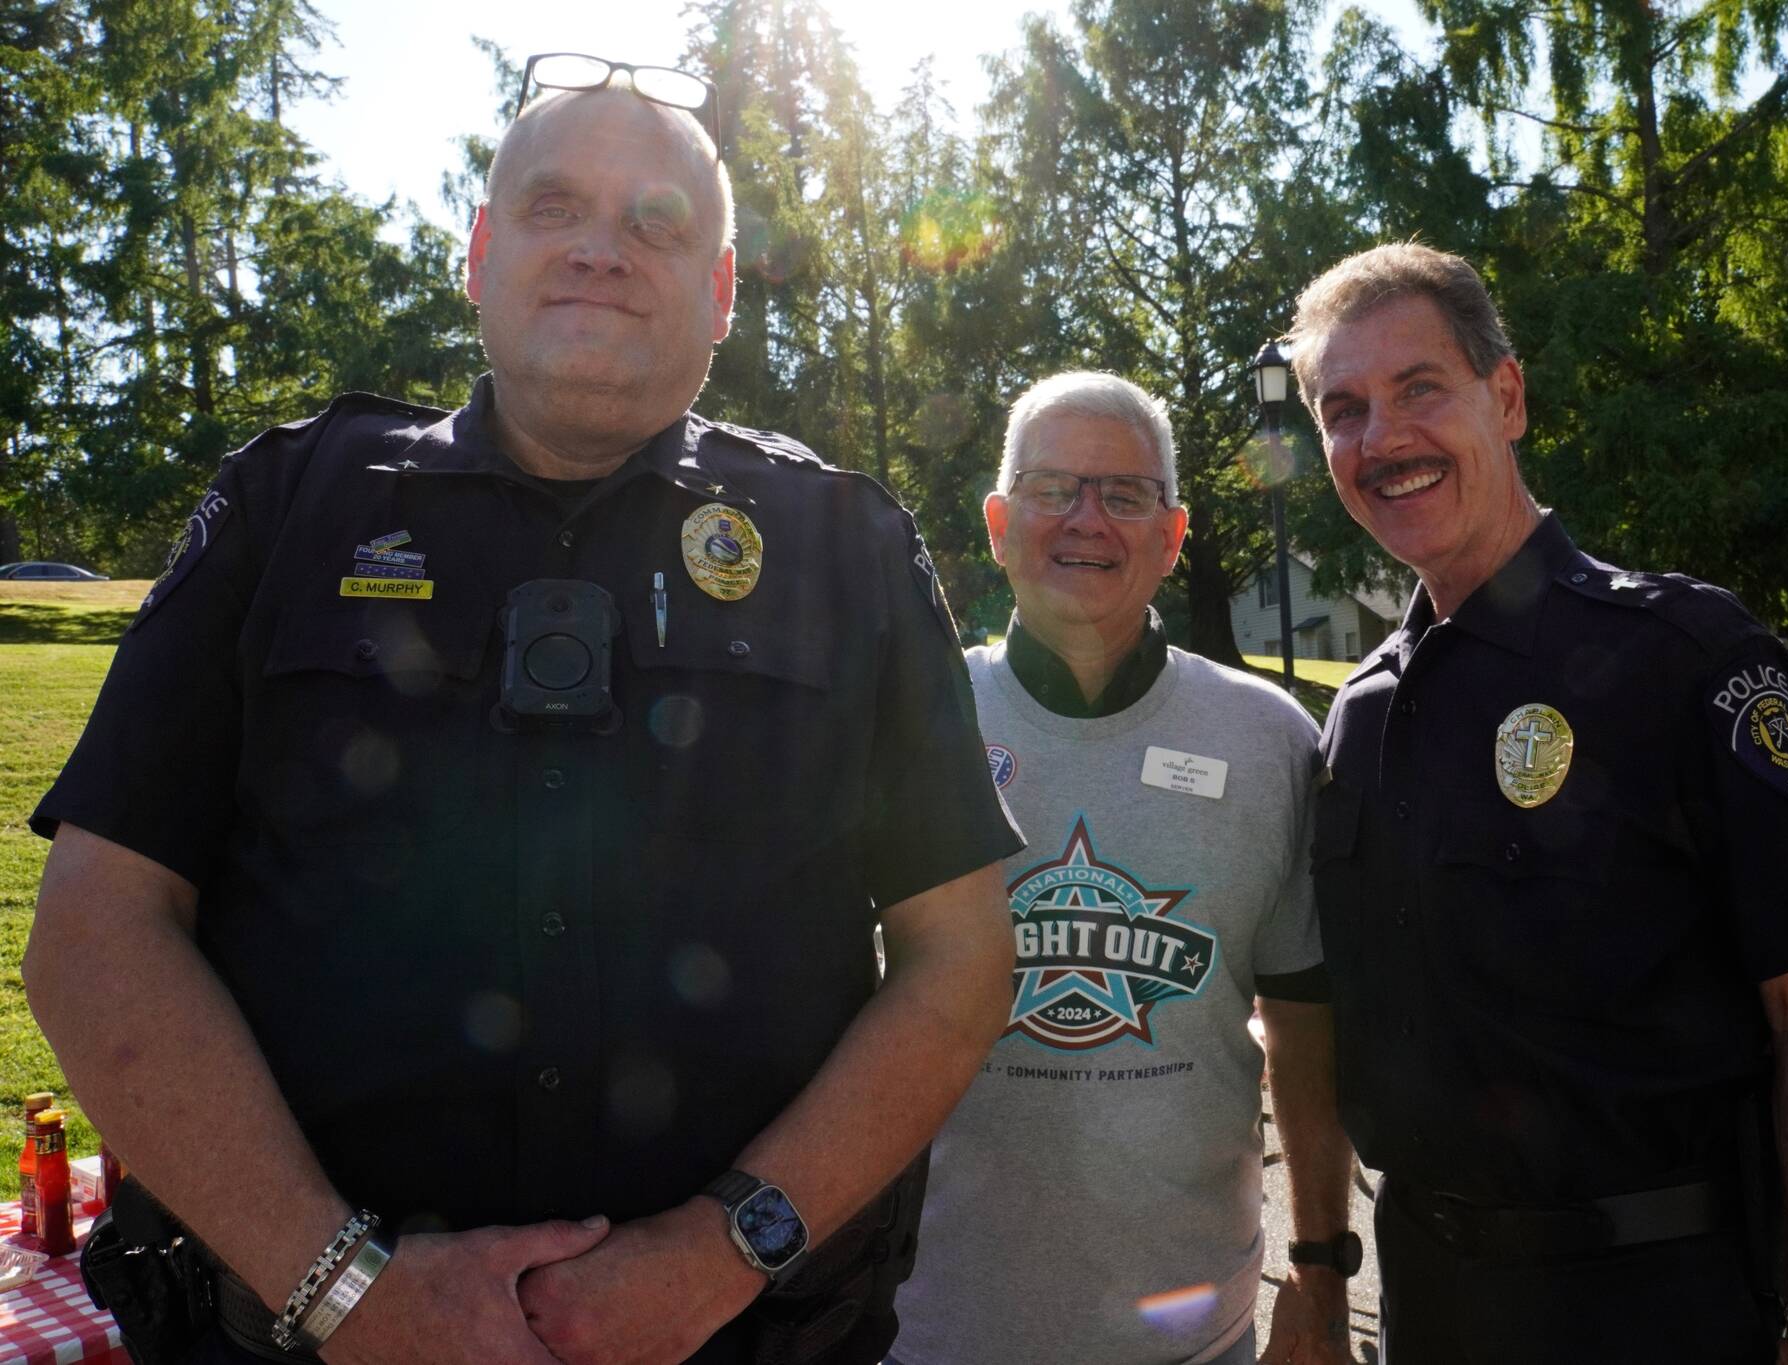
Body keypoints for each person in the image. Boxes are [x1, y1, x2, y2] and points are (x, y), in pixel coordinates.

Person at [24, 65, 1022, 1365]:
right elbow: (97, 927)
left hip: (741, 1342)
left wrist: (718, 1255)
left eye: (659, 224)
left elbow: (960, 956)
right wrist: (346, 1291)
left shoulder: (847, 544)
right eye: (556, 207)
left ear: (719, 294)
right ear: (481, 254)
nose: (603, 250)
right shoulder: (289, 507)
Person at [1286, 242, 1788, 1364]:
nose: (1381, 439)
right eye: (1342, 410)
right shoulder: (1359, 715)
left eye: (1418, 389)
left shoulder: (1684, 653)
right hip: (1428, 1301)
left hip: (1659, 1305)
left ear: (1503, 396)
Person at [888, 373, 1358, 1365]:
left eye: (1124, 494)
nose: (1085, 521)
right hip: (928, 1331)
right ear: (999, 522)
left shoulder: (1268, 741)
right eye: (1053, 489)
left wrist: (1318, 1264)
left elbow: (1306, 1029)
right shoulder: (904, 725)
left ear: (1173, 533)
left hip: (1196, 1332)